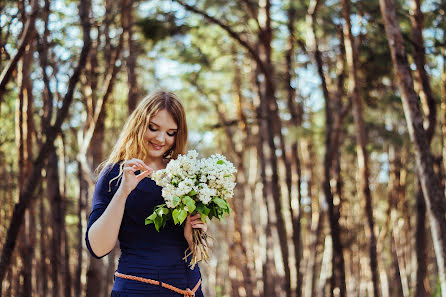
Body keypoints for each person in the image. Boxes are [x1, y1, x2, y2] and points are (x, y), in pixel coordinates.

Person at [85, 90, 207, 296]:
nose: (161, 138)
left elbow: (199, 254)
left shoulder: (186, 175)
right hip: (137, 290)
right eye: (153, 128)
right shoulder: (114, 174)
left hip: (190, 291)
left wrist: (194, 236)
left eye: (171, 132)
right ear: (139, 123)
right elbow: (97, 248)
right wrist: (123, 191)